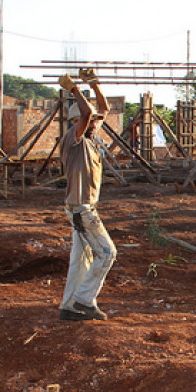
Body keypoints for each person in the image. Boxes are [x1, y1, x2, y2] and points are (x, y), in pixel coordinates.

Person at [56, 68, 117, 321]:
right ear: (77, 121)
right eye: (92, 121)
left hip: (80, 208)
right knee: (107, 253)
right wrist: (74, 89)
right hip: (82, 209)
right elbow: (88, 113)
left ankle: (69, 306)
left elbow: (103, 109)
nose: (96, 123)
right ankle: (83, 300)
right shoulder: (74, 139)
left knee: (81, 259)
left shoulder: (90, 137)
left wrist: (94, 84)